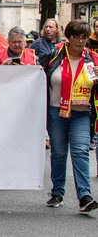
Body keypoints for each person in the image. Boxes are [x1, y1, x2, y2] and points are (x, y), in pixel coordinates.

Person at [41, 20, 98, 212]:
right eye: (76, 37)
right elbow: (36, 75)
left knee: (81, 152)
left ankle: (85, 196)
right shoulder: (54, 55)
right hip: (56, 111)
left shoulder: (93, 59)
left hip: (81, 113)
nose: (81, 41)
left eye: (84, 37)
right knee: (58, 153)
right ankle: (57, 192)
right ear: (68, 37)